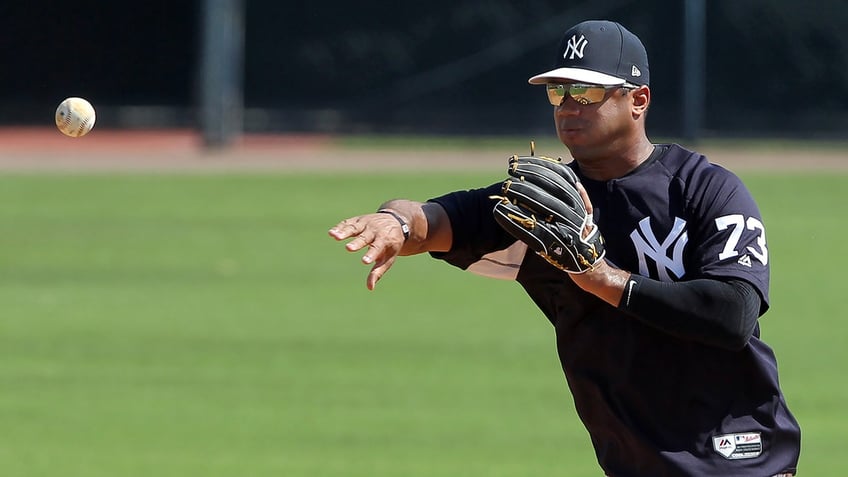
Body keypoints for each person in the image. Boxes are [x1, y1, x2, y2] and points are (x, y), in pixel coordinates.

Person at [328, 19, 801, 476]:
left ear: (638, 100)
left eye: (588, 92)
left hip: (739, 460)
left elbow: (733, 314)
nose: (568, 106)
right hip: (633, 465)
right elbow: (432, 220)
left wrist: (602, 280)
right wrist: (392, 220)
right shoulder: (542, 209)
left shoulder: (705, 189)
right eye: (559, 92)